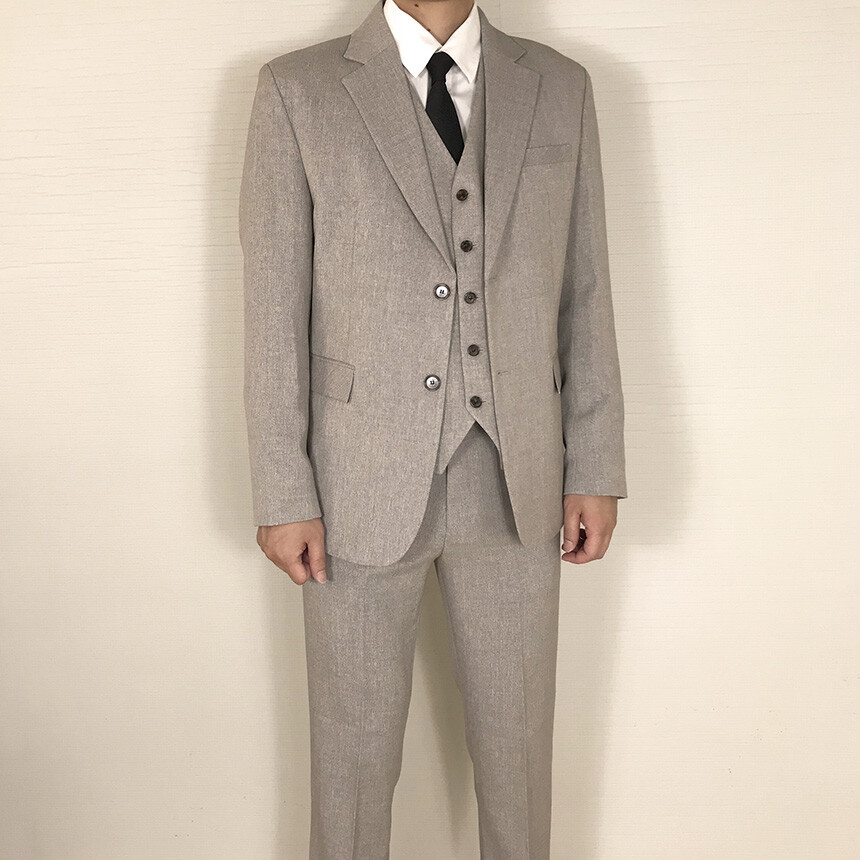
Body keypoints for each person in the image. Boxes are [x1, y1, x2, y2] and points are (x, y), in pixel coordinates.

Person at [238, 0, 627, 856]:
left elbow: (586, 288)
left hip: (519, 477)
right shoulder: (299, 91)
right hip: (355, 483)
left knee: (519, 753)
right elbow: (273, 310)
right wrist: (282, 489)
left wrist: (594, 464)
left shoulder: (560, 88)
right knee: (351, 761)